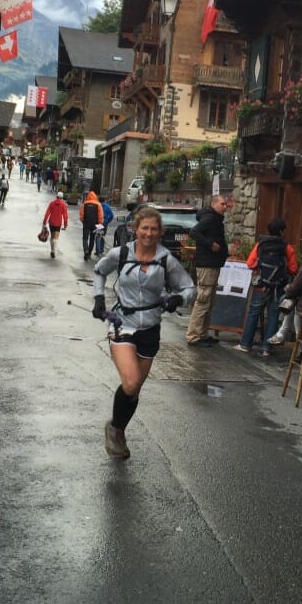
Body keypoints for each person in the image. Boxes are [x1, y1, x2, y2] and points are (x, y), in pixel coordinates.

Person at [93, 205, 195, 459]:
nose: (149, 233)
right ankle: (114, 430)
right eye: (144, 228)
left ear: (160, 232)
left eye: (154, 229)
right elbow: (99, 271)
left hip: (150, 327)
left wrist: (178, 299)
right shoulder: (121, 253)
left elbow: (189, 288)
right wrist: (98, 299)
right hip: (122, 323)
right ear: (135, 229)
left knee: (135, 389)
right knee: (130, 381)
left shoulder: (166, 260)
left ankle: (119, 428)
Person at [234, 218, 298, 356]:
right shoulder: (287, 247)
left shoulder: (260, 245)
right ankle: (266, 348)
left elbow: (250, 263)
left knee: (254, 312)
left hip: (261, 285)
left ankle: (245, 344)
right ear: (282, 232)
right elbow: (293, 269)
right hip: (278, 287)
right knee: (273, 315)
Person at [185, 194, 229, 347]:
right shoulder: (210, 218)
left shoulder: (215, 218)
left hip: (213, 263)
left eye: (226, 204)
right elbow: (194, 232)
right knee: (203, 300)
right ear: (214, 204)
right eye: (222, 204)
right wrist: (210, 244)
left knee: (209, 301)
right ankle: (193, 335)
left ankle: (202, 333)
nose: (225, 207)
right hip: (207, 264)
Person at [42, 191, 69, 258]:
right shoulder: (63, 205)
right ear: (62, 198)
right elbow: (65, 216)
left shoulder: (52, 203)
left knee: (52, 236)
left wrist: (44, 222)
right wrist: (65, 224)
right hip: (58, 223)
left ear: (56, 197)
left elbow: (47, 213)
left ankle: (52, 250)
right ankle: (54, 251)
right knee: (56, 237)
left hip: (51, 222)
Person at [80, 190, 102, 260]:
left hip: (86, 223)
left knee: (85, 238)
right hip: (95, 224)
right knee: (92, 239)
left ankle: (86, 251)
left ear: (88, 196)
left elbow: (81, 214)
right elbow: (100, 216)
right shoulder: (98, 204)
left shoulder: (85, 204)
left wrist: (83, 221)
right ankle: (89, 253)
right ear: (95, 197)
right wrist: (100, 224)